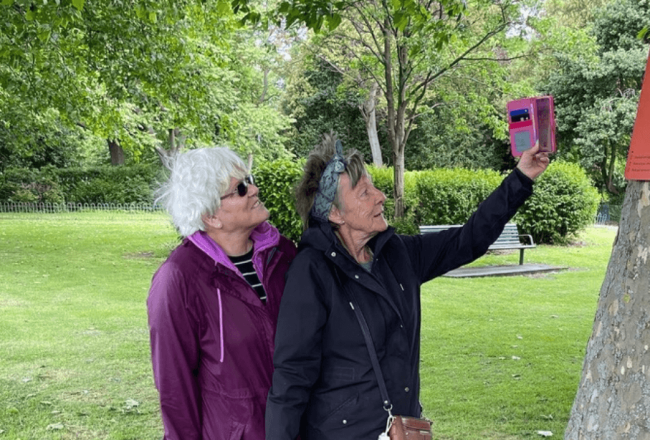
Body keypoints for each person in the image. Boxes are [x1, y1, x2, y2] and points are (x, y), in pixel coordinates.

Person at [265, 134, 549, 440]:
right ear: (335, 214)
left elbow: (470, 238)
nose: (380, 196)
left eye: (374, 186)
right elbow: (292, 377)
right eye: (364, 193)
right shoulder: (311, 272)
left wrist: (521, 177)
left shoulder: (397, 253)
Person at [148, 147, 297, 440]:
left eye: (250, 179)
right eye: (240, 188)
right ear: (211, 216)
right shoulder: (178, 279)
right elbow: (175, 388)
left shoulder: (285, 256)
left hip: (298, 428)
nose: (254, 189)